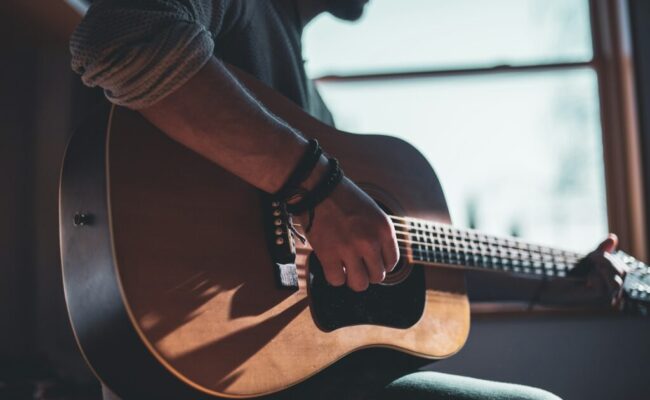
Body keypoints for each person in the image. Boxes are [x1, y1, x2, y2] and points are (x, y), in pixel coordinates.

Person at [70, 1, 625, 399]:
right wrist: (317, 189)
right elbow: (120, 34)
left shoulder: (314, 114)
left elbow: (416, 262)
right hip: (204, 366)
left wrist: (565, 274)